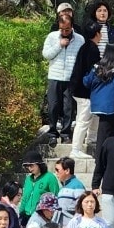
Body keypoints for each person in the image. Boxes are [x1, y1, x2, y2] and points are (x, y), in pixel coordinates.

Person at [42, 10, 85, 142]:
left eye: (67, 29)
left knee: (69, 107)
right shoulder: (52, 37)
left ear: (72, 26)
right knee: (53, 105)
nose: (65, 32)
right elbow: (46, 55)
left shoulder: (80, 39)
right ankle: (52, 133)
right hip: (55, 76)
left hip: (71, 78)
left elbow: (82, 59)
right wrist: (59, 45)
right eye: (62, 29)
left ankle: (66, 133)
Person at [68, 24, 103, 159]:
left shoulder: (86, 47)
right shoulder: (92, 49)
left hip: (79, 88)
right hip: (84, 91)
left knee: (89, 117)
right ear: (97, 34)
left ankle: (91, 140)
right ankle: (75, 149)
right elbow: (93, 72)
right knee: (83, 120)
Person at [18, 154, 61, 226]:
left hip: (42, 217)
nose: (29, 168)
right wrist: (21, 213)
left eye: (31, 165)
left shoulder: (50, 177)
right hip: (26, 216)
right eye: (27, 166)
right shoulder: (28, 179)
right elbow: (24, 198)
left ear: (39, 164)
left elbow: (55, 196)